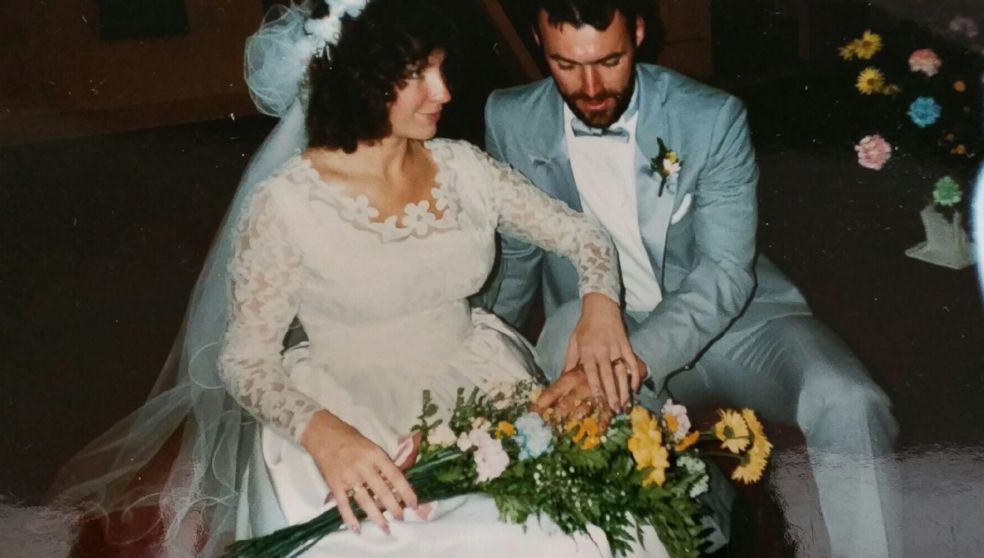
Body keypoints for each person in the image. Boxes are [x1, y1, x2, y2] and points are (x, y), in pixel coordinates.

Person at [49, 1, 657, 557]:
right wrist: (326, 436)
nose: (443, 91)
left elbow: (584, 236)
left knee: (586, 533)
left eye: (442, 68)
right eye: (417, 73)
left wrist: (600, 305)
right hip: (344, 408)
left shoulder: (464, 168)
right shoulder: (288, 203)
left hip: (479, 386)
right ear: (355, 78)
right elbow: (244, 360)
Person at [477, 1, 901, 556]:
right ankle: (693, 522)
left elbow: (724, 275)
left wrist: (639, 358)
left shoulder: (711, 116)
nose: (590, 87)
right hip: (599, 328)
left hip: (738, 323)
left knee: (849, 401)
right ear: (539, 43)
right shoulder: (510, 119)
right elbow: (517, 256)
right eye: (566, 65)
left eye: (610, 61)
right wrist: (482, 350)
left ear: (639, 35)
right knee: (568, 377)